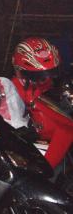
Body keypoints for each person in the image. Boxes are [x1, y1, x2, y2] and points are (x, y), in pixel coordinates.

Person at [10, 37, 73, 169]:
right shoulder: (11, 90)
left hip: (55, 137)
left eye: (51, 74)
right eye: (39, 76)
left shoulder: (50, 85)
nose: (46, 79)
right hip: (32, 146)